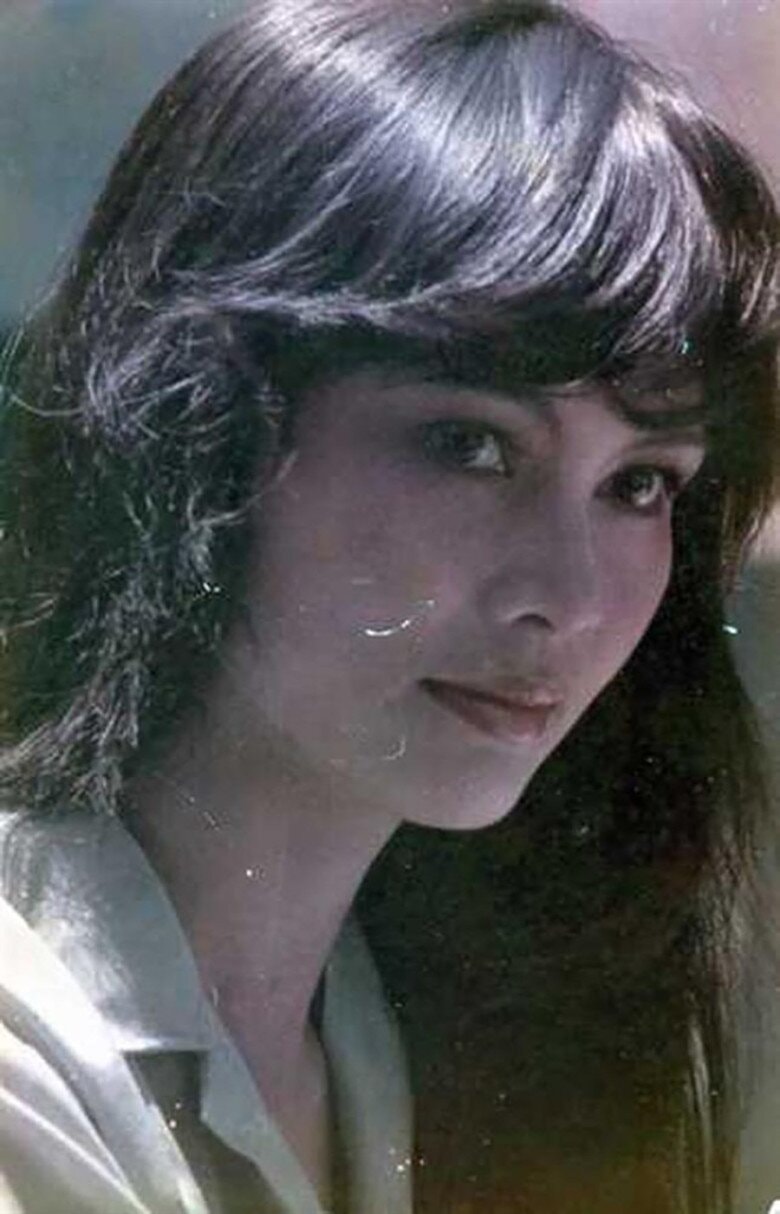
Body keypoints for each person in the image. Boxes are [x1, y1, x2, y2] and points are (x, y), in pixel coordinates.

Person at [0, 1, 777, 1212]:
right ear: (202, 425)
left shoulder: (437, 1021)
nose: (569, 597)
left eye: (639, 483)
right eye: (471, 444)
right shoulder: (27, 1041)